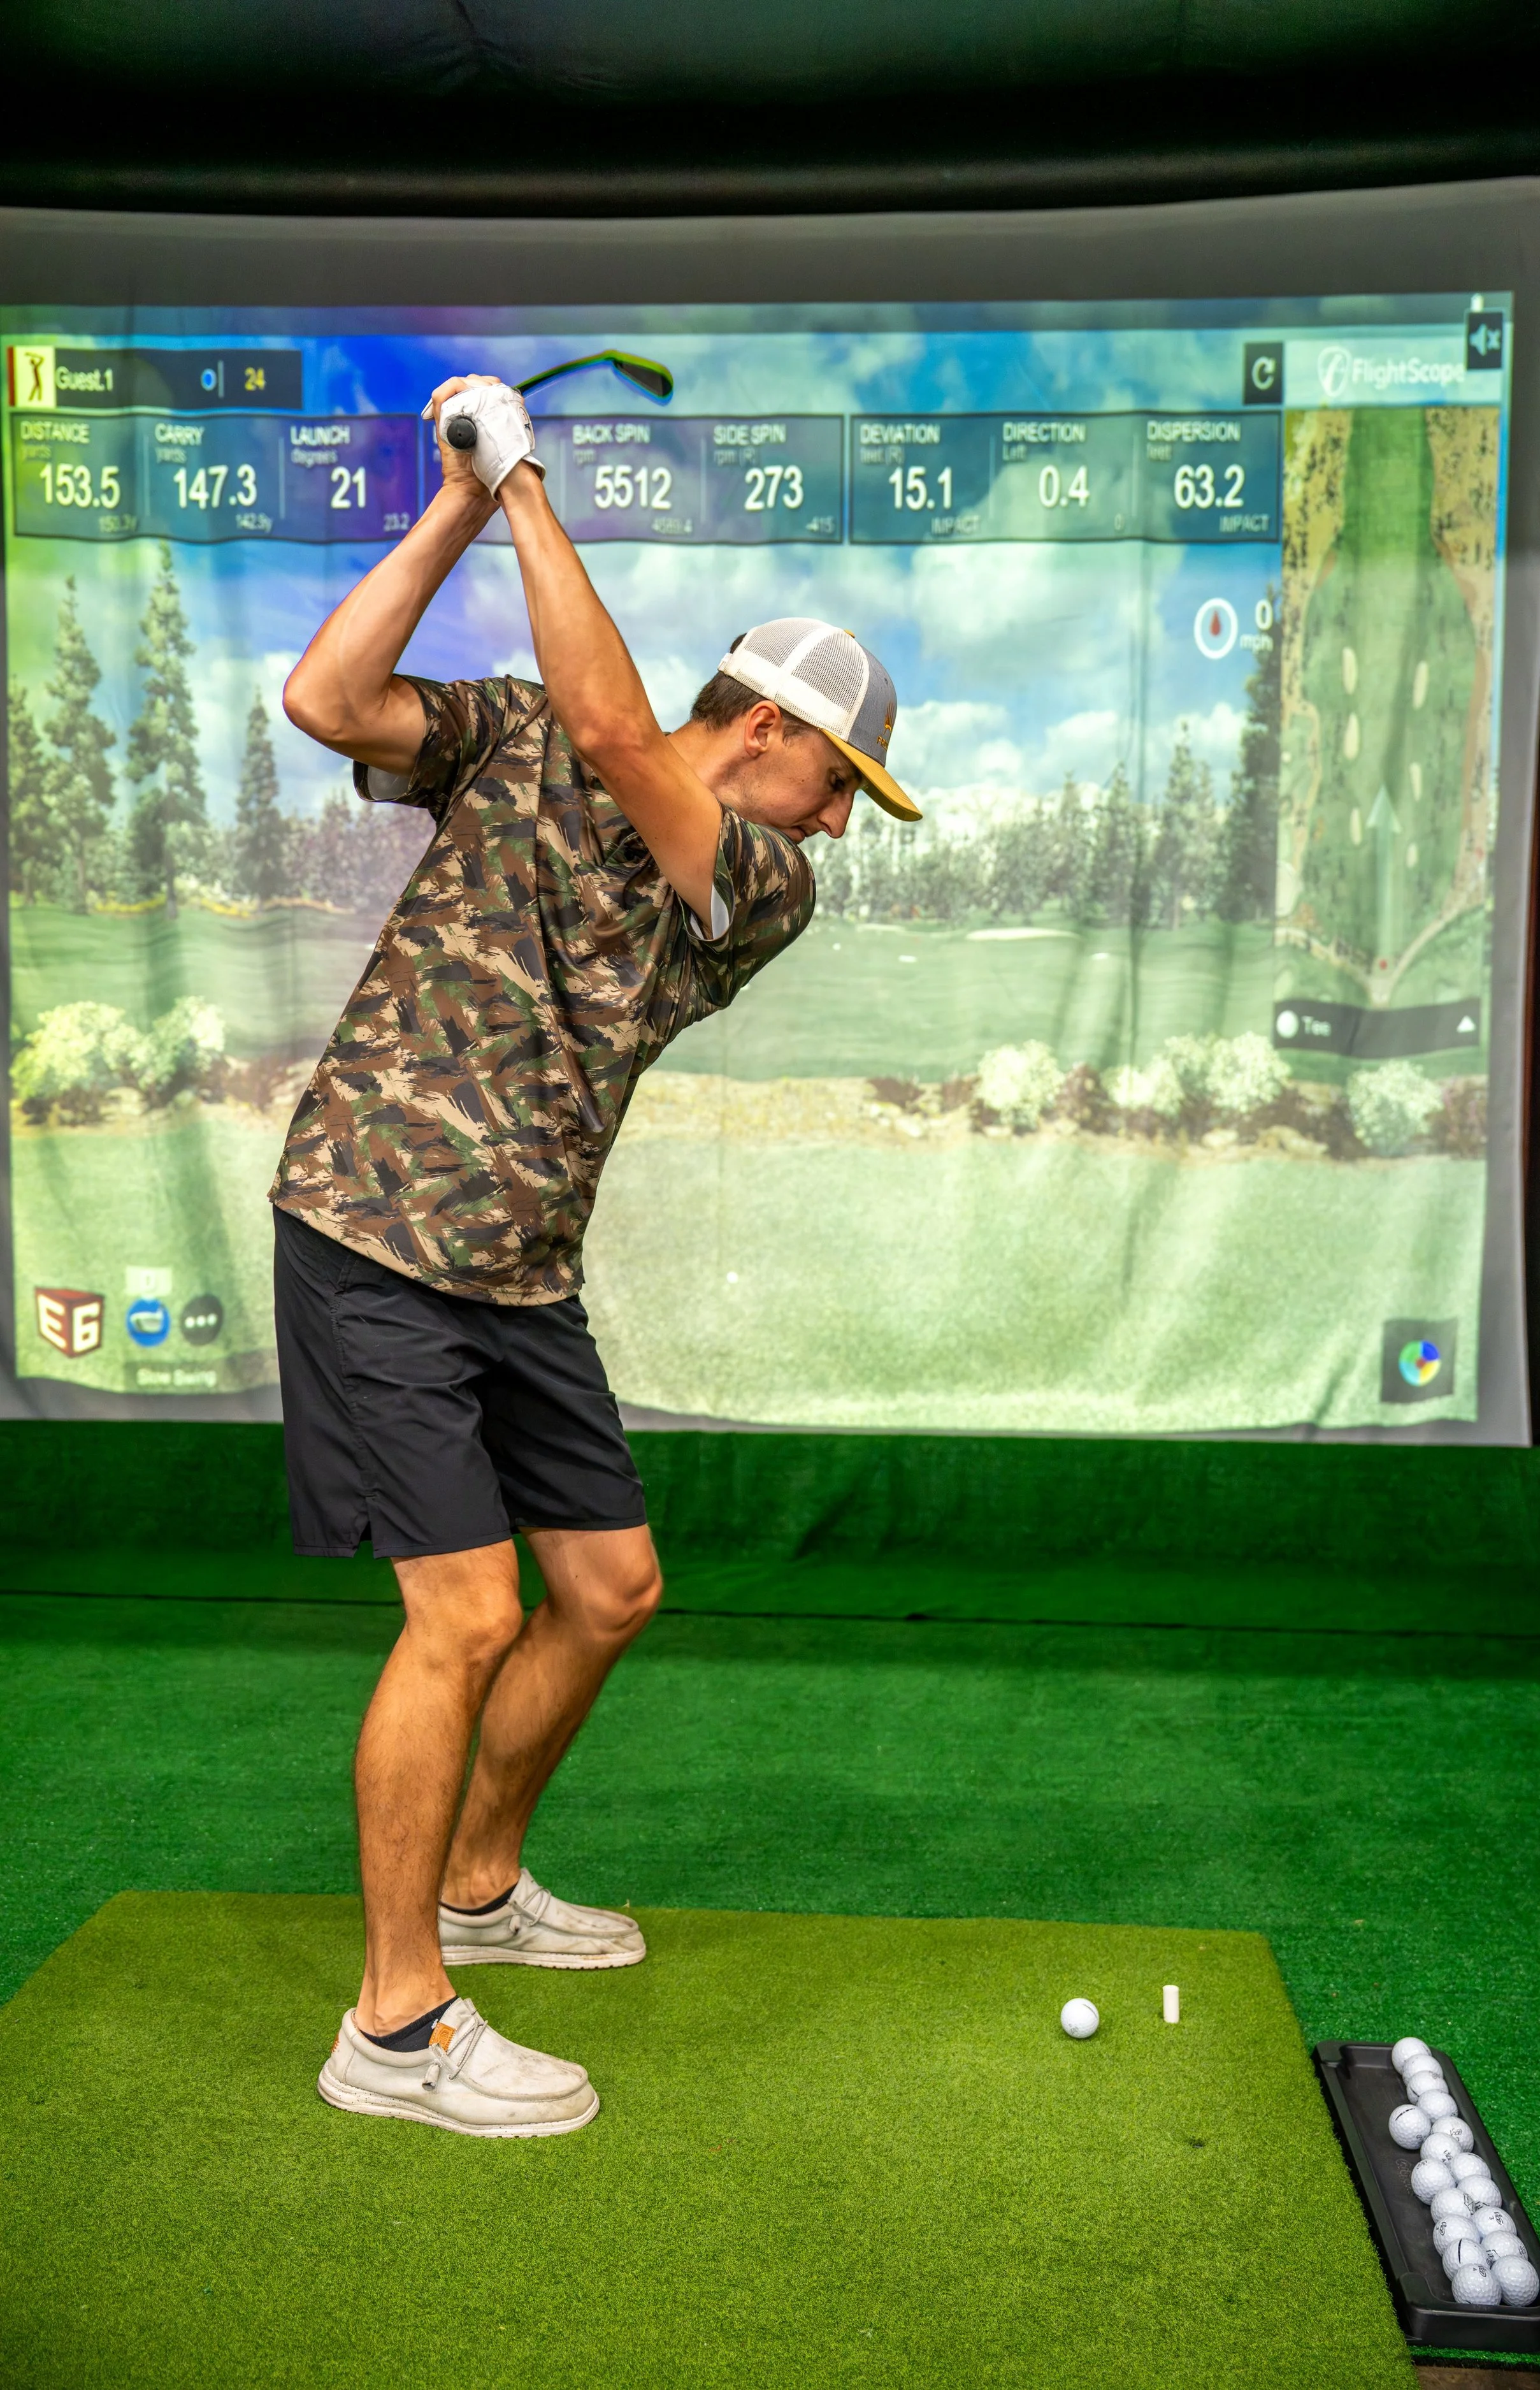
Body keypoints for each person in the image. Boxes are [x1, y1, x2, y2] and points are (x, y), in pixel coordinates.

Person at [271, 372, 919, 2137]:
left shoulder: (757, 881)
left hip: (520, 1263)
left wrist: (532, 479)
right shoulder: (507, 732)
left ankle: (479, 1882)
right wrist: (463, 505)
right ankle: (395, 2021)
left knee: (611, 1587)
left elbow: (627, 743)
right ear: (773, 727)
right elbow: (325, 694)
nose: (847, 822)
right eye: (844, 777)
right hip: (376, 1222)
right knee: (466, 1608)